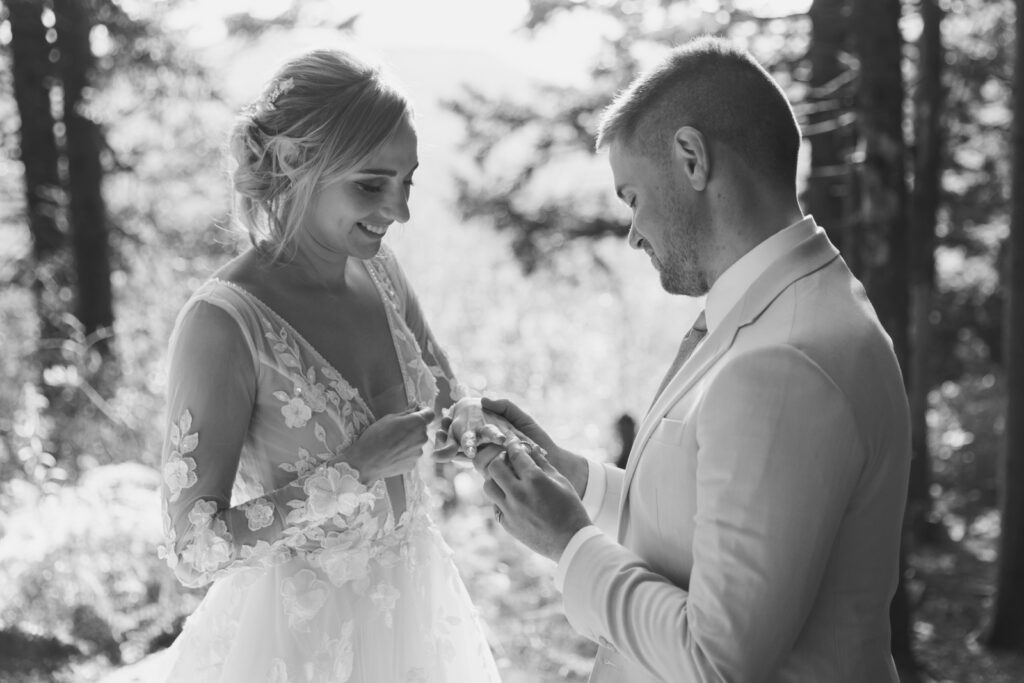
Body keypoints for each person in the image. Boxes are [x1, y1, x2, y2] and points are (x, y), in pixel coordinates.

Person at [449, 36, 911, 682]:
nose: (634, 231)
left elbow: (715, 660)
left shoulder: (783, 362)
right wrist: (574, 478)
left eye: (632, 196)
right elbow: (703, 513)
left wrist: (568, 542)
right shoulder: (773, 307)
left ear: (692, 158)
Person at [156, 49, 501, 681]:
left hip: (419, 615)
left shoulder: (381, 271)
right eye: (371, 185)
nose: (399, 212)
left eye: (407, 183)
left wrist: (472, 428)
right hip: (295, 645)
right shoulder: (226, 323)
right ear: (293, 161)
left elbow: (444, 394)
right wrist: (355, 469)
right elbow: (193, 551)